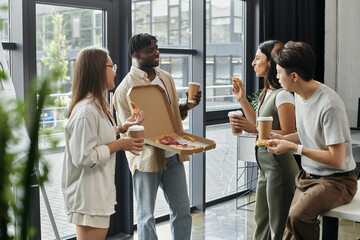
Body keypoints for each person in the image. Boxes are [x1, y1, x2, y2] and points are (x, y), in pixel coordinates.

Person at [113, 33, 202, 240]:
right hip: (146, 160)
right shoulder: (124, 89)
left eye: (156, 48)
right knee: (146, 216)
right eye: (150, 50)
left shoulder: (165, 77)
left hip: (173, 157)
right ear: (136, 55)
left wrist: (186, 106)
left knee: (182, 211)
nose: (156, 53)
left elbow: (171, 113)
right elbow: (127, 129)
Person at [268, 41, 358, 240]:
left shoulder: (329, 104)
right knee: (291, 229)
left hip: (338, 181)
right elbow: (309, 134)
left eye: (279, 72)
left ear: (294, 76)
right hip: (309, 177)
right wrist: (281, 137)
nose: (276, 77)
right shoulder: (299, 96)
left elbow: (337, 159)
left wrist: (294, 147)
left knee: (298, 216)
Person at [62, 46, 145, 240]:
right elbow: (83, 157)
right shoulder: (86, 112)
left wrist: (122, 127)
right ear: (98, 70)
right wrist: (120, 144)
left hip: (96, 195)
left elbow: (98, 136)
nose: (115, 71)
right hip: (88, 198)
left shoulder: (97, 105)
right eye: (111, 66)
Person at [231, 40, 299, 240]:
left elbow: (288, 133)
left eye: (258, 58)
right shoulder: (266, 93)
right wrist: (242, 100)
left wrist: (252, 129)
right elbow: (259, 122)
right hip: (265, 168)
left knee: (278, 226)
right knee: (261, 221)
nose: (253, 63)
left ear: (271, 63)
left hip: (279, 167)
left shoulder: (283, 95)